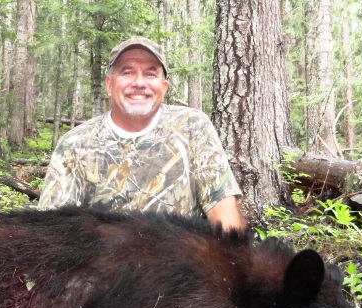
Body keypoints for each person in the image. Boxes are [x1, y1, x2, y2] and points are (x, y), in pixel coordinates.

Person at [39, 36, 246, 230]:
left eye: (150, 73)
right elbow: (51, 232)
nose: (139, 83)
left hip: (181, 263)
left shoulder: (192, 128)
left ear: (164, 88)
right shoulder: (75, 144)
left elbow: (225, 218)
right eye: (127, 72)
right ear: (109, 85)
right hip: (101, 264)